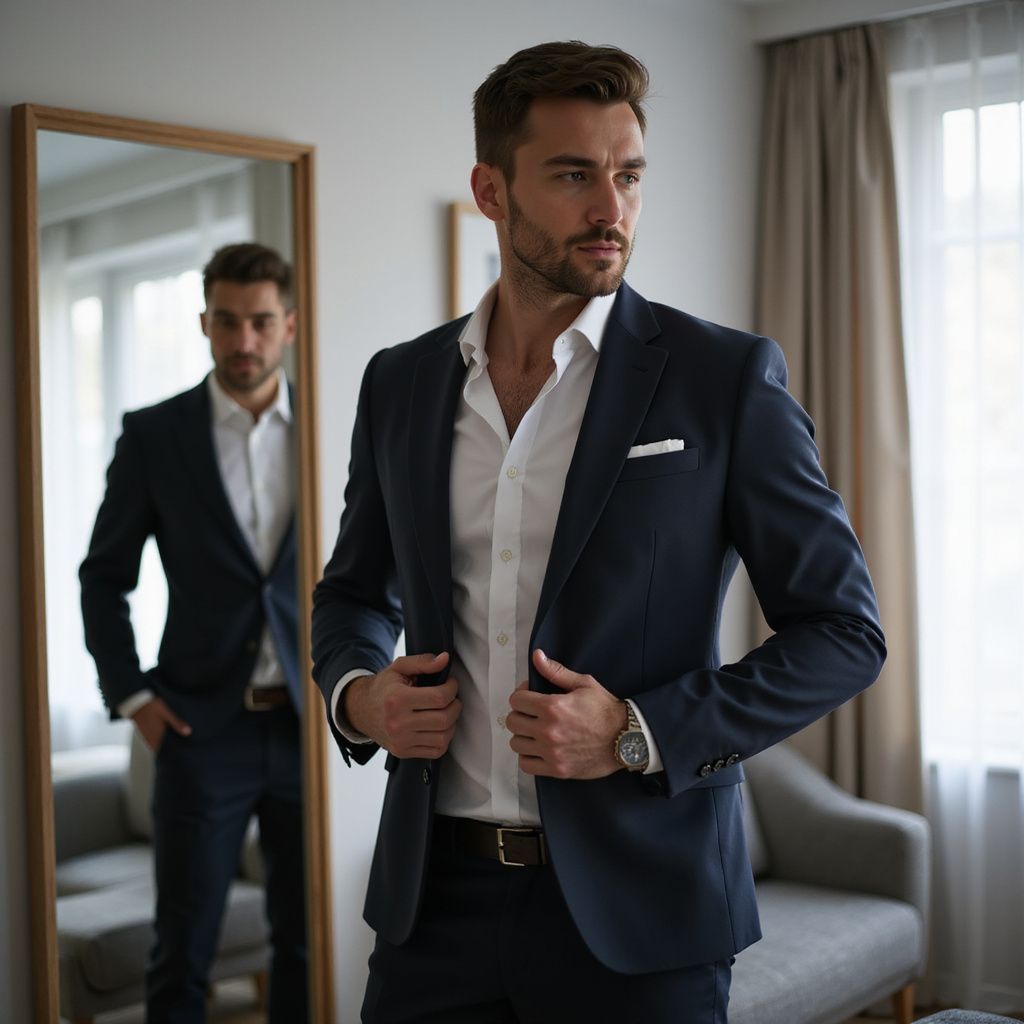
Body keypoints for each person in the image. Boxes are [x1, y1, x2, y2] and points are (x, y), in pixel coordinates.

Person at [312, 41, 885, 1024]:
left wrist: (637, 730)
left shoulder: (722, 380)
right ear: (491, 189)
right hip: (430, 908)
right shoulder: (399, 382)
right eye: (573, 175)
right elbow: (355, 590)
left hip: (644, 913)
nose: (609, 208)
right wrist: (359, 698)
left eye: (626, 175)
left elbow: (843, 634)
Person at [80, 243, 307, 1024]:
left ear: (289, 326)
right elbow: (102, 576)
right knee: (183, 946)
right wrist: (132, 694)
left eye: (261, 322)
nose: (244, 340)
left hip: (312, 725)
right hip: (199, 728)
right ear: (205, 323)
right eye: (228, 322)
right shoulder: (154, 436)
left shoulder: (331, 427)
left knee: (306, 942)